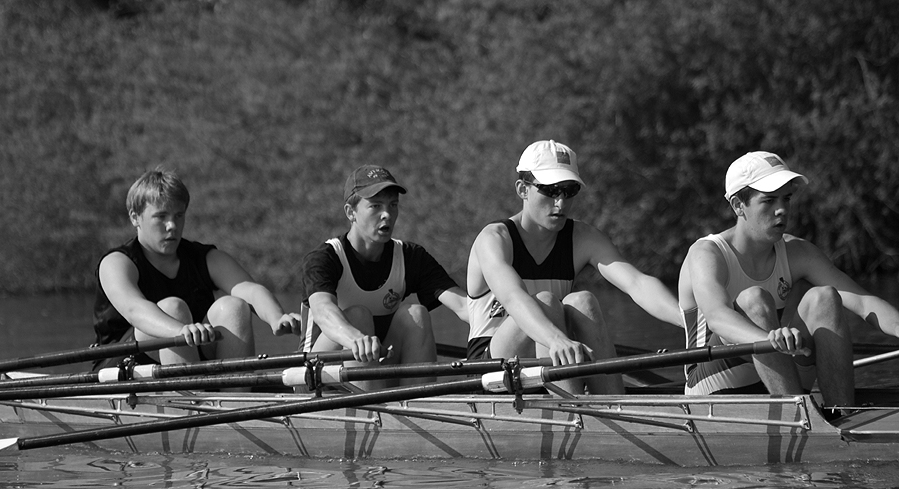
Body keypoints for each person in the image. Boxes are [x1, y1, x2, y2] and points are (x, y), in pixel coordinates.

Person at [678, 150, 899, 409]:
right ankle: (801, 418)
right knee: (754, 299)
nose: (782, 209)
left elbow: (863, 302)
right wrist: (771, 339)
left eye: (786, 198)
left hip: (776, 374)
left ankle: (841, 413)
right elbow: (717, 317)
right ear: (738, 205)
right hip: (712, 384)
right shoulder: (707, 253)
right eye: (769, 200)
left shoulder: (798, 252)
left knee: (824, 297)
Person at [466, 139, 682, 395]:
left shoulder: (583, 238)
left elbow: (637, 283)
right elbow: (513, 298)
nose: (561, 202)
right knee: (545, 302)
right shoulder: (494, 239)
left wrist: (692, 322)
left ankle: (611, 405)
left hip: (552, 356)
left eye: (569, 190)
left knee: (583, 301)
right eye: (550, 190)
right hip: (489, 370)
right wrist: (556, 339)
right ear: (523, 189)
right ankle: (573, 410)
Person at [93, 167, 300, 367]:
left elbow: (250, 290)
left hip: (190, 349)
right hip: (123, 362)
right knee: (173, 308)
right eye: (161, 216)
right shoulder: (117, 263)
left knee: (233, 307)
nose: (172, 226)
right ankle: (190, 389)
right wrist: (179, 330)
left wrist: (276, 317)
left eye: (178, 215)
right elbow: (134, 310)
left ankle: (233, 389)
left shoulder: (205, 257)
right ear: (134, 217)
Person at [299, 165, 468, 387]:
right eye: (375, 206)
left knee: (416, 314)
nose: (387, 214)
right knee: (358, 315)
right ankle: (374, 406)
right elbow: (323, 311)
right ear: (350, 212)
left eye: (393, 205)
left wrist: (506, 317)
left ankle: (415, 402)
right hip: (314, 376)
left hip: (375, 367)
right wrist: (355, 338)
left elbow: (464, 306)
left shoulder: (410, 257)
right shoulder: (324, 258)